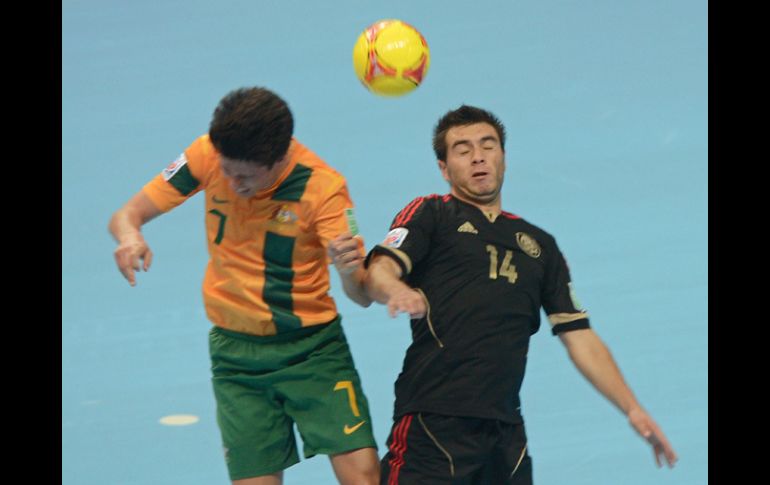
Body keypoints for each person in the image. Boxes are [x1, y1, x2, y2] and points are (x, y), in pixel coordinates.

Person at [355, 105, 678, 484]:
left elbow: (580, 337)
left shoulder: (540, 246)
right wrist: (395, 288)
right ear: (444, 168)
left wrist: (632, 409)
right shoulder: (432, 214)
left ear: (503, 157)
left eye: (488, 145)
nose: (478, 156)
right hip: (433, 422)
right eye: (462, 149)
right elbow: (379, 269)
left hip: (505, 434)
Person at [108, 86, 379, 485]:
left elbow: (361, 296)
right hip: (236, 359)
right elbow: (126, 214)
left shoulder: (325, 190)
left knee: (365, 477)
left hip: (313, 352)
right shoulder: (208, 154)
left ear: (280, 157)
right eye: (227, 171)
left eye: (245, 177)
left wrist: (347, 270)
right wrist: (130, 236)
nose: (232, 183)